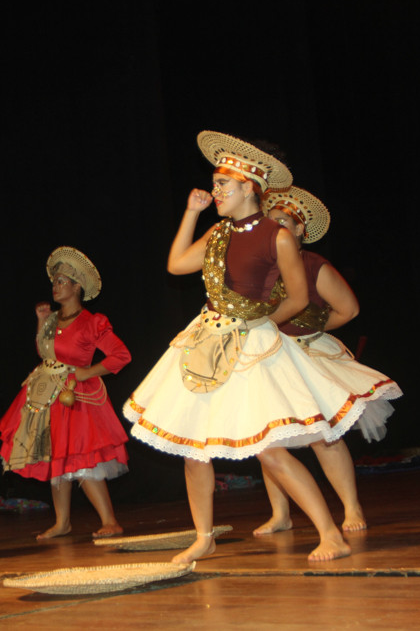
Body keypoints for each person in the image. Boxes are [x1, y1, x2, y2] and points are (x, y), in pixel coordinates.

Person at [124, 131, 387, 564]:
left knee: (269, 449)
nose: (215, 191)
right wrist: (191, 214)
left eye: (222, 184)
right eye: (214, 183)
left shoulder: (276, 237)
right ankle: (204, 536)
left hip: (251, 344)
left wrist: (256, 326)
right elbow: (176, 264)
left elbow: (298, 299)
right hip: (206, 339)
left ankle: (330, 533)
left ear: (249, 186)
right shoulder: (218, 232)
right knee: (194, 448)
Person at [255, 186, 400, 535]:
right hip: (270, 357)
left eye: (283, 222)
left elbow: (348, 310)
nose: (275, 228)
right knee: (268, 436)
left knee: (323, 434)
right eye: (270, 222)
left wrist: (308, 326)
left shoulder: (313, 265)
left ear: (300, 229)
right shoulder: (259, 268)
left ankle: (351, 506)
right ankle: (280, 513)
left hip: (308, 354)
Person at [0, 247, 131, 540]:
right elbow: (45, 353)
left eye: (61, 282)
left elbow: (121, 356)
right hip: (45, 394)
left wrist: (86, 372)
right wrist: (41, 321)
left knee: (80, 459)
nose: (55, 287)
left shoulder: (91, 322)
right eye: (54, 282)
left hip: (75, 397)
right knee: (55, 457)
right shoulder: (52, 320)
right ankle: (62, 523)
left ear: (76, 286)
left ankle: (110, 520)